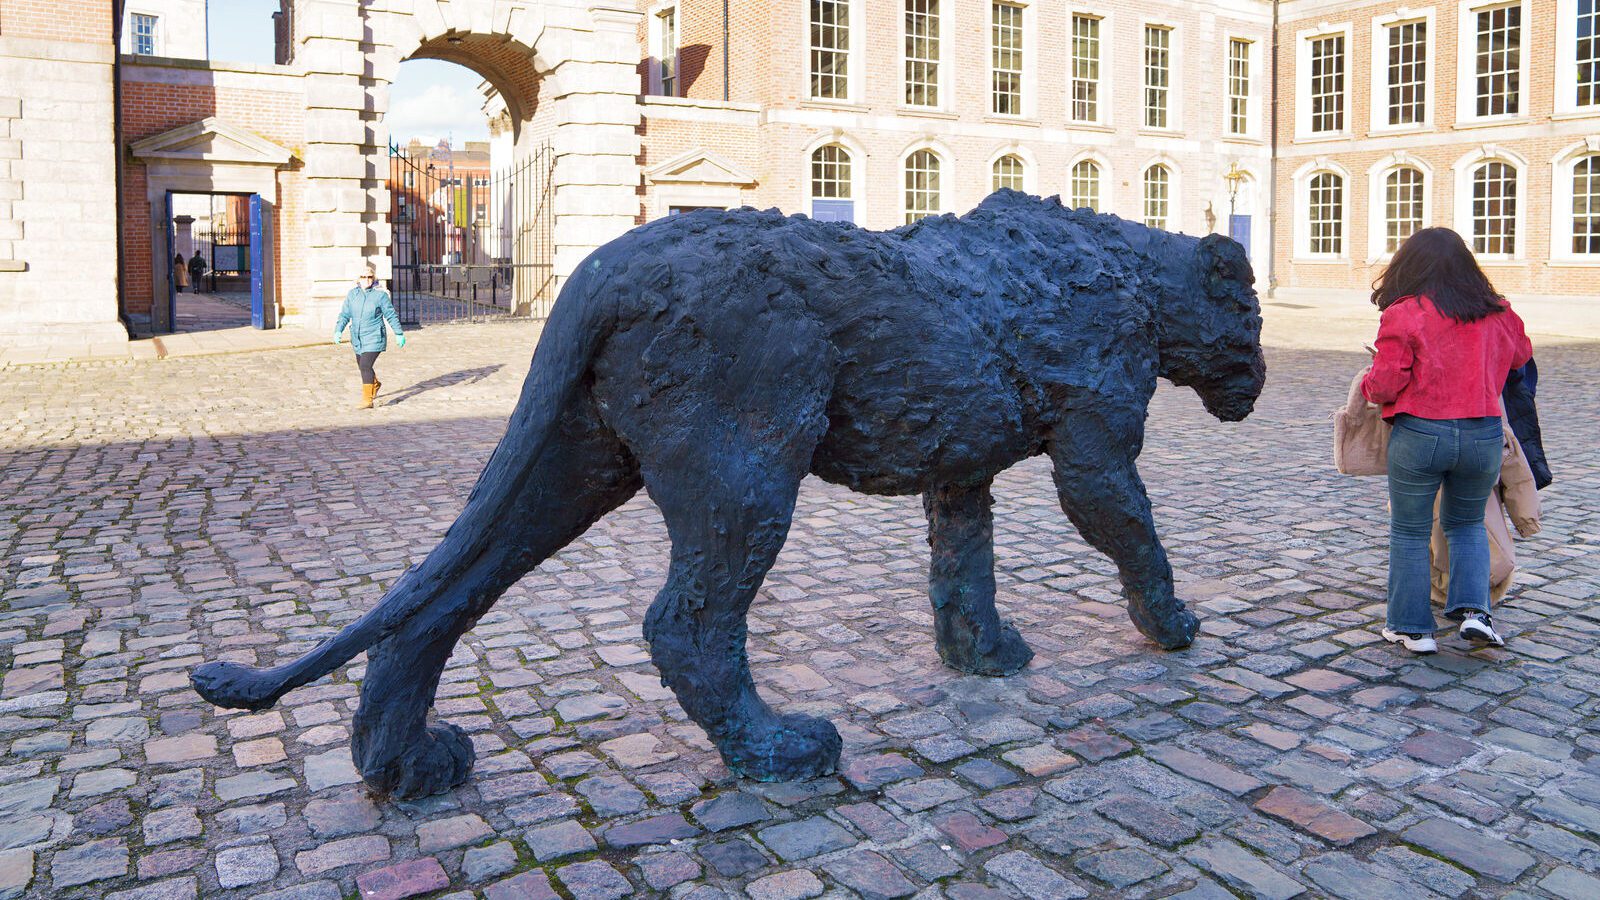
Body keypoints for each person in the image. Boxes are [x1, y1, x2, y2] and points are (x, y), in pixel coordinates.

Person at [1362, 228, 1532, 654]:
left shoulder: (1405, 313)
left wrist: (1365, 385)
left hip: (1422, 433)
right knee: (1467, 525)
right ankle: (1477, 613)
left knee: (1410, 531)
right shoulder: (1499, 312)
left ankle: (1411, 627)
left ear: (1410, 266)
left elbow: (1385, 383)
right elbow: (1521, 356)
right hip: (1483, 436)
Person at [334, 262, 406, 409]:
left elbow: (391, 315)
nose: (366, 279)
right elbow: (345, 315)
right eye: (363, 276)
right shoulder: (352, 295)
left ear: (374, 279)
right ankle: (375, 383)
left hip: (374, 336)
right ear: (358, 279)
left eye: (369, 277)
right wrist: (338, 330)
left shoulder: (380, 296)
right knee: (362, 366)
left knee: (366, 365)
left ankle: (367, 400)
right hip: (358, 337)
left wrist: (398, 333)